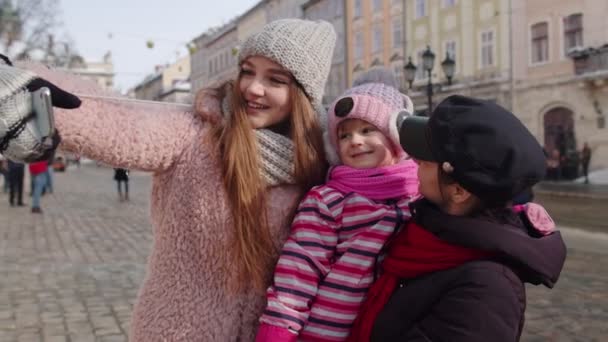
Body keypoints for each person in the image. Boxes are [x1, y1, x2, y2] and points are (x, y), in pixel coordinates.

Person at [0, 19, 336, 341]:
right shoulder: (196, 132)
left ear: (304, 95)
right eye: (247, 71)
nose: (253, 88)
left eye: (276, 80)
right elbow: (118, 124)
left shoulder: (323, 159)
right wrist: (20, 88)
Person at [348, 95, 567, 341]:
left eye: (426, 157)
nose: (415, 160)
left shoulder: (487, 290)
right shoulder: (424, 236)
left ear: (458, 191)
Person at [256, 82, 418, 341]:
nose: (355, 141)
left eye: (367, 130)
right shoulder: (329, 200)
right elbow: (299, 270)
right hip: (329, 333)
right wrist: (277, 331)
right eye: (344, 135)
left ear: (395, 136)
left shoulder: (419, 194)